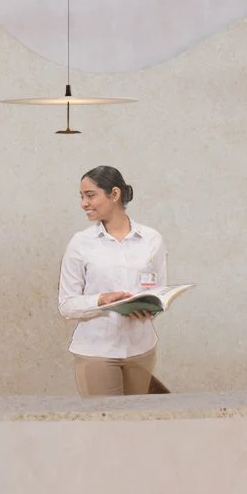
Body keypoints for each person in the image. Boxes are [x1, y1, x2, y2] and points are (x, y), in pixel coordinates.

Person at [58, 166, 168, 397]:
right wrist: (102, 300)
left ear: (114, 194)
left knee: (136, 424)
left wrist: (150, 309)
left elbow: (160, 292)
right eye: (82, 197)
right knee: (104, 428)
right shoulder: (80, 243)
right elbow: (66, 305)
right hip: (96, 350)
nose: (84, 203)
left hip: (141, 348)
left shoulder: (151, 240)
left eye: (90, 195)